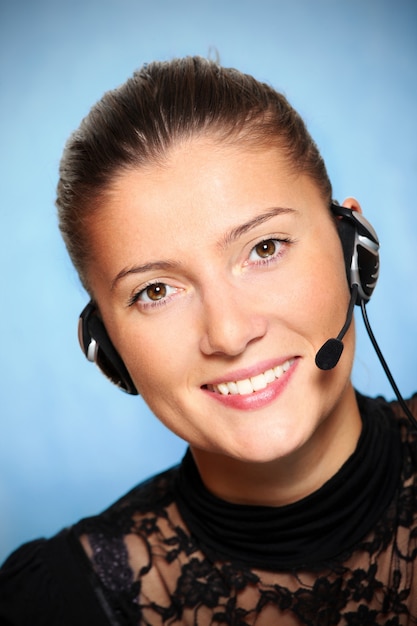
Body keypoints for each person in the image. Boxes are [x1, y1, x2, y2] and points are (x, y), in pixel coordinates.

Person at [0, 56, 416, 626]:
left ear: (354, 249)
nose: (228, 332)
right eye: (156, 290)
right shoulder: (46, 607)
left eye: (264, 249)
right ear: (107, 346)